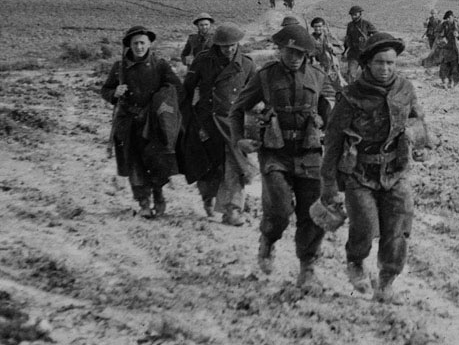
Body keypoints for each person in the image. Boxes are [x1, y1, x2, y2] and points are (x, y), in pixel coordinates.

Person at [320, 32, 427, 303]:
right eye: (380, 63)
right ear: (367, 64)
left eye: (391, 63)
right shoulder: (351, 96)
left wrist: (417, 137)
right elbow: (332, 142)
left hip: (396, 170)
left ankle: (386, 281)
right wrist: (329, 186)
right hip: (360, 173)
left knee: (399, 227)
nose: (386, 69)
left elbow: (419, 120)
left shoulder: (405, 88)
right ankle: (355, 261)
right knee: (365, 226)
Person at [230, 24, 335, 288]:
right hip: (276, 152)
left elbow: (329, 109)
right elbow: (237, 109)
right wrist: (239, 139)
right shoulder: (265, 76)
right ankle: (268, 240)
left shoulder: (318, 76)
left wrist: (330, 132)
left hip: (309, 151)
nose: (295, 57)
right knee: (279, 209)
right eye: (290, 51)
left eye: (300, 53)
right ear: (280, 49)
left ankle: (307, 266)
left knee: (313, 211)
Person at [102, 26, 183, 218]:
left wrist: (163, 103)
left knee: (157, 162)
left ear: (149, 45)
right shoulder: (119, 67)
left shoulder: (159, 65)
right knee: (134, 164)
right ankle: (144, 203)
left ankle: (159, 196)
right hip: (128, 124)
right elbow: (105, 90)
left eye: (142, 43)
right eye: (135, 43)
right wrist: (115, 93)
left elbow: (176, 88)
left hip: (153, 124)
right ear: (129, 45)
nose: (139, 47)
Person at [180, 24, 256, 225]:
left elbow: (256, 93)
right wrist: (187, 120)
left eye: (232, 45)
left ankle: (232, 210)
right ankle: (208, 197)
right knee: (210, 168)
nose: (229, 50)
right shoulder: (203, 61)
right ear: (217, 46)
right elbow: (186, 91)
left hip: (234, 124)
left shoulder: (247, 64)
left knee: (235, 166)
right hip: (207, 122)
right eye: (224, 47)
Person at [310, 17, 346, 92]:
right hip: (319, 67)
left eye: (319, 26)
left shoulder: (329, 36)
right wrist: (312, 57)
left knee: (337, 87)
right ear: (313, 27)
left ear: (323, 27)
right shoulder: (311, 38)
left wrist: (332, 48)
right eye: (315, 26)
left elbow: (341, 49)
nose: (317, 28)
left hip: (332, 67)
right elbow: (309, 52)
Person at [343, 5, 377, 83]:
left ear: (360, 14)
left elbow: (376, 34)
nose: (353, 16)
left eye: (355, 14)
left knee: (367, 74)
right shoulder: (350, 25)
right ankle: (351, 91)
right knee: (351, 74)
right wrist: (344, 51)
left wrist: (370, 43)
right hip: (353, 53)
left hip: (364, 53)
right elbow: (347, 38)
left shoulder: (366, 24)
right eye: (352, 14)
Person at [436, 10, 459, 88]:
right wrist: (441, 37)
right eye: (446, 18)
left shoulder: (457, 25)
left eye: (448, 18)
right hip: (446, 48)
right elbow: (437, 32)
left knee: (455, 67)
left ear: (452, 17)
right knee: (444, 66)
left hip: (455, 49)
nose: (447, 20)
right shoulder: (444, 25)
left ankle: (456, 83)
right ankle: (446, 82)